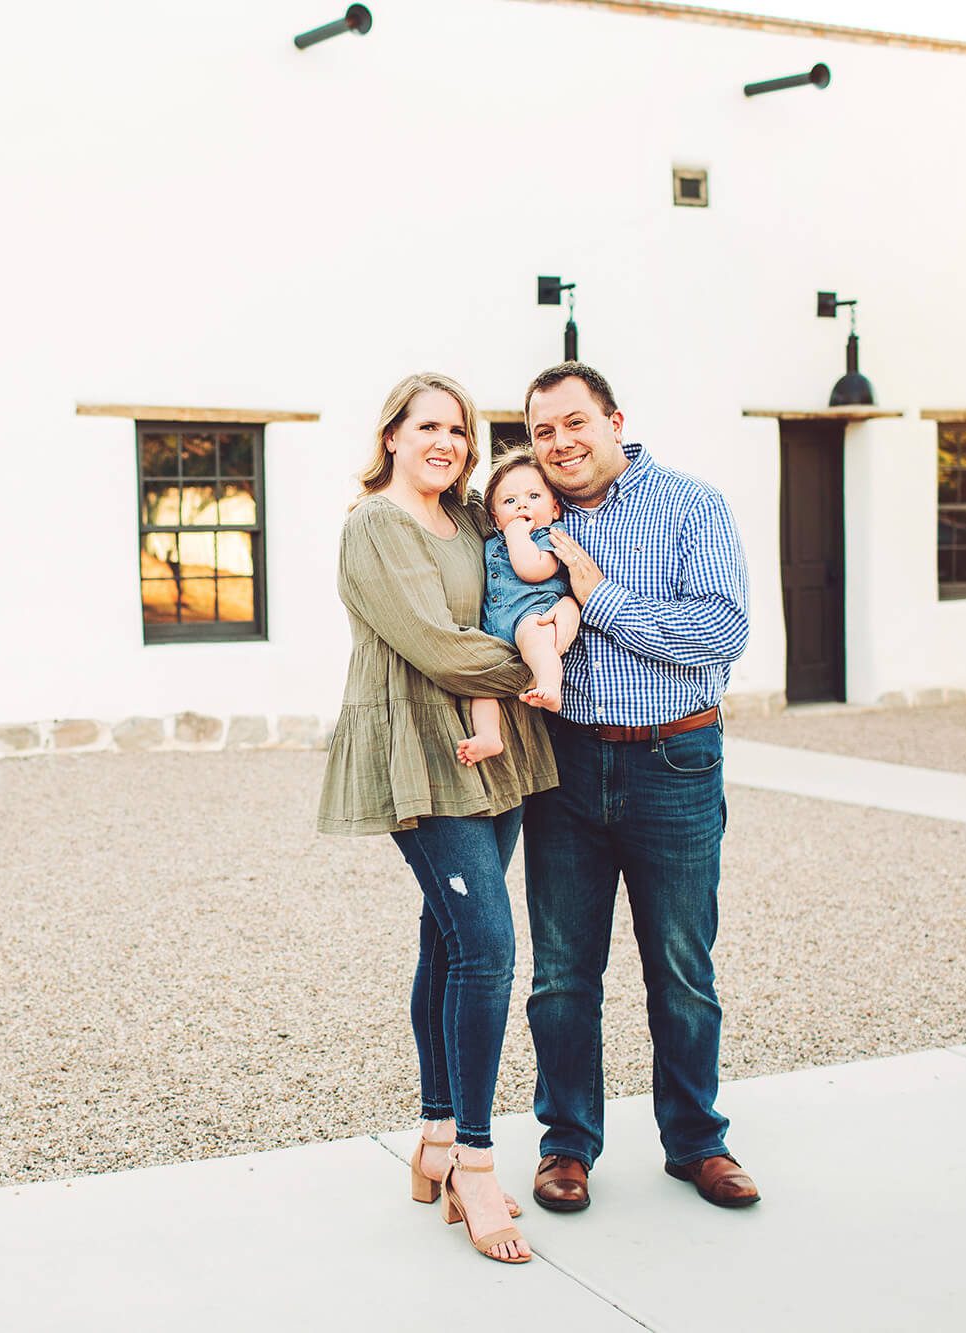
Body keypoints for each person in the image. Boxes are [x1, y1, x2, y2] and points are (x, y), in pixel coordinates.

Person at [316, 372, 559, 1265]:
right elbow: (435, 645)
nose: (446, 441)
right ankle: (475, 1160)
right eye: (428, 426)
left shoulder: (467, 521)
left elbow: (515, 593)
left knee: (449, 940)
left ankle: (432, 1133)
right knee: (489, 947)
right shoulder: (373, 526)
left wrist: (549, 627)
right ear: (391, 436)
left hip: (490, 750)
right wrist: (543, 663)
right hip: (423, 750)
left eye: (458, 428)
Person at [517, 361, 760, 1213]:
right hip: (566, 767)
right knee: (561, 974)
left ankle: (698, 1142)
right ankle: (567, 1144)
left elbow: (721, 631)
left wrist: (601, 597)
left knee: (683, 969)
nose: (560, 444)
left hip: (675, 762)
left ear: (615, 419)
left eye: (574, 423)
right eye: (543, 431)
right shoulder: (525, 518)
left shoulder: (693, 505)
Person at [457, 450, 580, 767]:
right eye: (509, 501)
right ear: (495, 516)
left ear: (554, 508)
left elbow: (532, 569)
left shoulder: (550, 537)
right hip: (495, 626)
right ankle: (488, 737)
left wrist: (516, 534)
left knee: (536, 643)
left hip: (533, 615)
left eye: (533, 496)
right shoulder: (492, 541)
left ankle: (550, 685)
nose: (522, 505)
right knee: (482, 683)